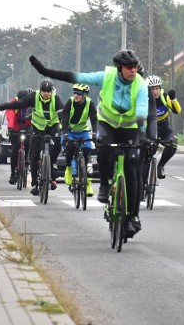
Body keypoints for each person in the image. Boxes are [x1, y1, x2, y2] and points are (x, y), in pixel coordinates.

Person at [29, 50, 148, 238]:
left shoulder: (140, 84)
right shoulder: (107, 77)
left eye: (135, 67)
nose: (133, 70)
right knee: (103, 150)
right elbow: (76, 77)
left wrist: (142, 134)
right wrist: (45, 71)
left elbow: (142, 110)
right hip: (107, 123)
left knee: (132, 168)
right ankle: (105, 186)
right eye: (129, 67)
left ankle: (132, 216)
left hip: (130, 127)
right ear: (119, 68)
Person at [0, 79, 64, 196]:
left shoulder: (56, 99)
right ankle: (34, 184)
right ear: (40, 89)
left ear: (51, 91)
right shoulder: (34, 96)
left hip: (52, 126)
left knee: (58, 143)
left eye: (48, 91)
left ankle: (52, 163)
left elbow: (62, 115)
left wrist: (65, 127)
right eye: (43, 90)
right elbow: (16, 104)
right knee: (34, 155)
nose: (45, 93)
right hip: (37, 127)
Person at [61, 83, 97, 197]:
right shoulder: (70, 102)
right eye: (75, 93)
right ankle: (69, 169)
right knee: (70, 148)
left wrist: (95, 133)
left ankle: (88, 186)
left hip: (83, 131)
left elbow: (94, 119)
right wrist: (66, 134)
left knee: (88, 153)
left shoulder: (90, 103)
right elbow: (64, 119)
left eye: (79, 94)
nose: (76, 95)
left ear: (84, 95)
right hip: (70, 131)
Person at [143, 75, 180, 179]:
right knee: (146, 155)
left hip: (164, 130)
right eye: (152, 89)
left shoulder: (164, 96)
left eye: (157, 89)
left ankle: (161, 166)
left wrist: (173, 99)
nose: (155, 92)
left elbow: (177, 111)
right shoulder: (143, 98)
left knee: (173, 142)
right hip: (149, 131)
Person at [4, 89, 33, 185]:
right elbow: (10, 116)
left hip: (27, 126)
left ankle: (27, 157)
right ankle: (13, 174)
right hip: (15, 128)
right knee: (15, 149)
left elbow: (35, 115)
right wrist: (11, 127)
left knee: (28, 142)